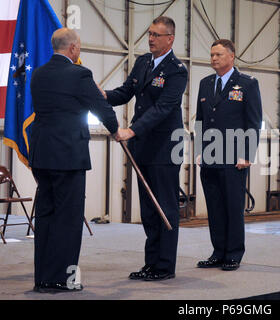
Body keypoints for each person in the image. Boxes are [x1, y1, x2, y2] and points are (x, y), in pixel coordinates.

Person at [30, 28, 123, 293]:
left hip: (42, 154)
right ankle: (63, 278)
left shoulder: (38, 74)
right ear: (73, 48)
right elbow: (101, 107)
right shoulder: (80, 74)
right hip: (68, 156)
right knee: (68, 219)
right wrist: (116, 130)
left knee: (46, 215)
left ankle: (43, 278)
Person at [99, 16, 187, 281]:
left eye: (156, 35)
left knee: (165, 207)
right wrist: (103, 95)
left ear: (169, 38)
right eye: (149, 34)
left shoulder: (177, 70)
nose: (150, 39)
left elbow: (163, 108)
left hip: (164, 147)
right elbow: (126, 92)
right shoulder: (142, 63)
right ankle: (151, 263)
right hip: (143, 147)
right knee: (148, 209)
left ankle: (165, 266)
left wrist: (131, 130)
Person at [195, 39, 262, 271]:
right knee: (214, 207)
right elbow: (200, 121)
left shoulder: (247, 84)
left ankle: (233, 253)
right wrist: (199, 151)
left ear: (232, 56)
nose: (214, 58)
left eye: (219, 55)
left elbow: (254, 122)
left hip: (234, 158)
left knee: (233, 206)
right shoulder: (205, 84)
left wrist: (247, 154)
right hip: (210, 157)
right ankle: (218, 252)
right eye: (212, 54)